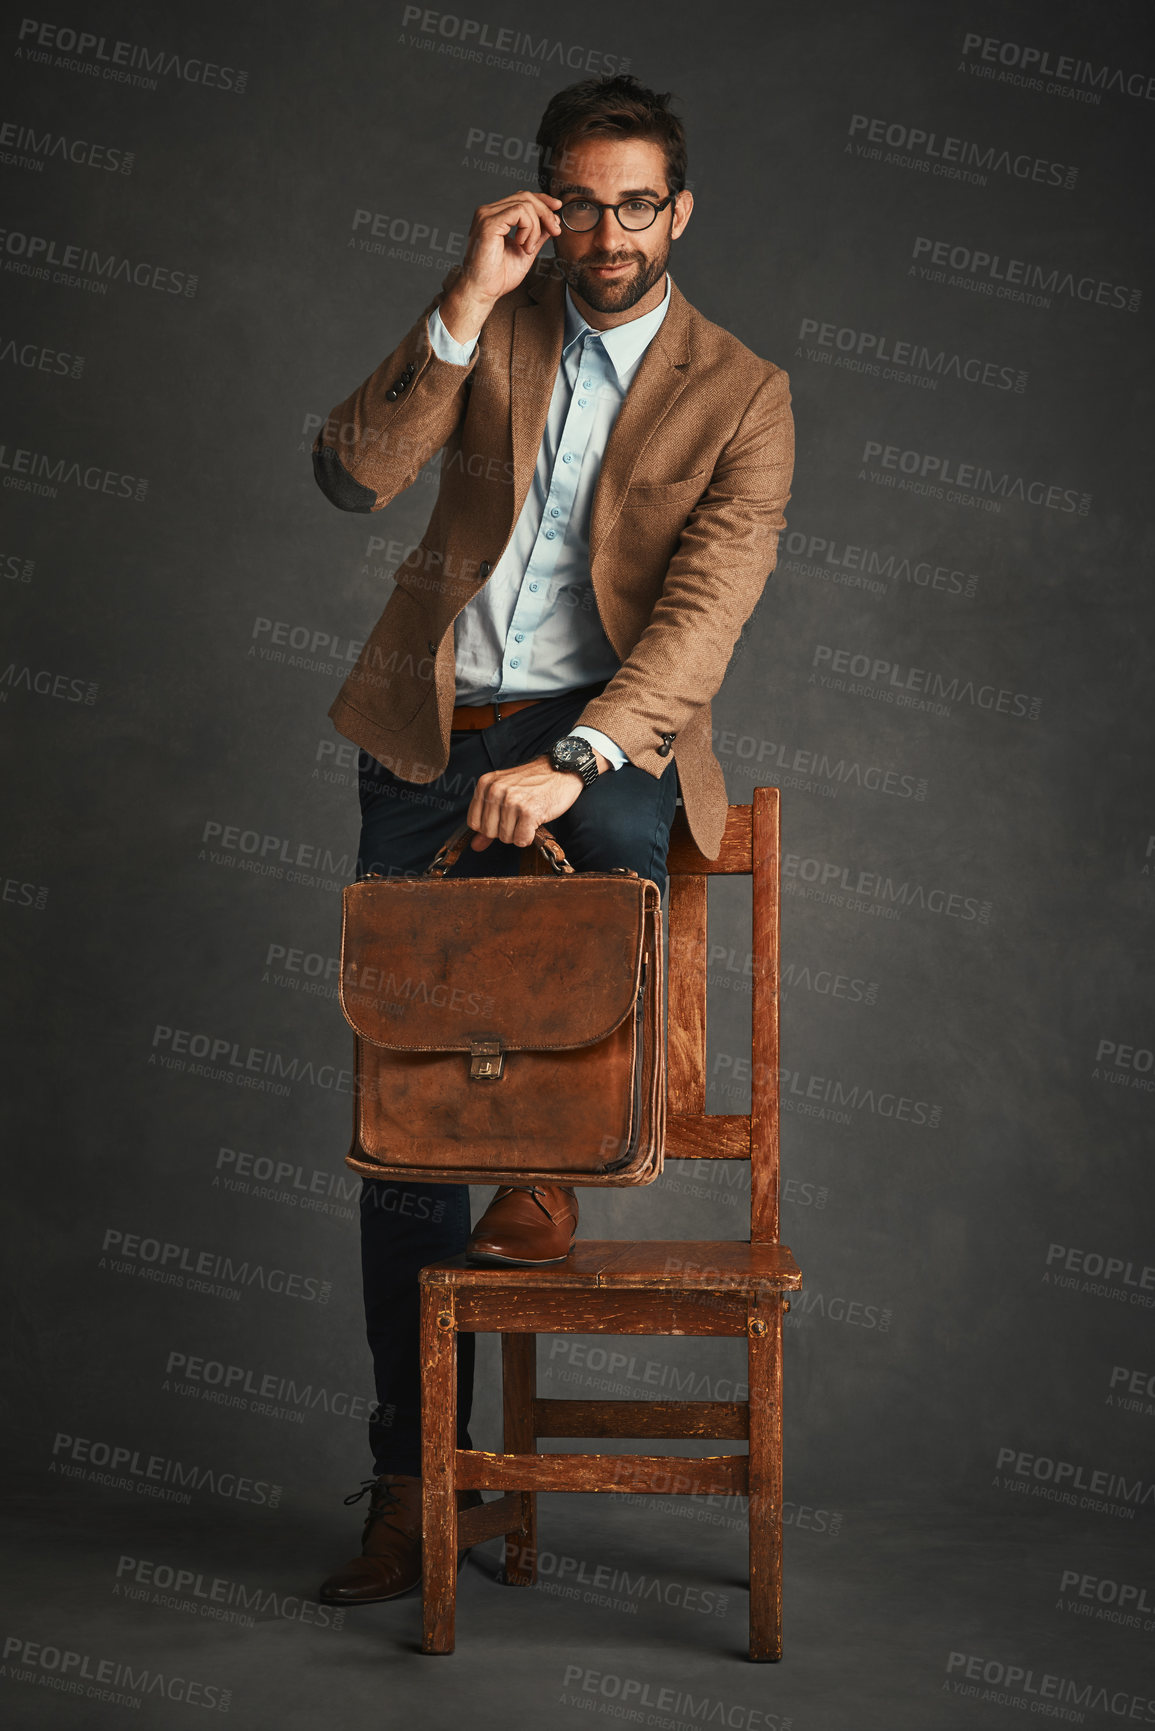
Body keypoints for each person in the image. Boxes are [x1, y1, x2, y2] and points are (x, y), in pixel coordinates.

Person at [310, 72, 794, 1605]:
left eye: (633, 203)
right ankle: (407, 1484)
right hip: (434, 730)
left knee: (590, 933)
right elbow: (350, 472)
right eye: (577, 200)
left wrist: (580, 755)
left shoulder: (744, 392)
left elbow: (705, 614)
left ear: (680, 212)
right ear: (542, 201)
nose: (603, 232)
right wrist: (464, 292)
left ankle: (554, 1164)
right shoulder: (500, 321)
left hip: (614, 735)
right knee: (402, 1136)